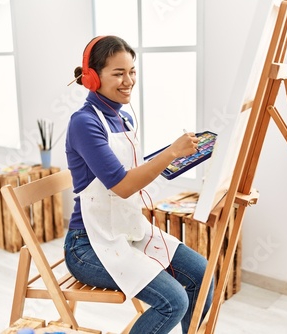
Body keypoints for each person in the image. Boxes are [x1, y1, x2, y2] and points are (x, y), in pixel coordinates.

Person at [64, 35, 213, 334]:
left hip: (127, 231)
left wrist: (177, 157)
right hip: (89, 245)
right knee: (173, 301)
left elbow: (128, 165)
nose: (128, 80)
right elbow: (122, 185)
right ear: (93, 78)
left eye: (132, 71)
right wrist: (171, 152)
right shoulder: (84, 122)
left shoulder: (123, 118)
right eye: (118, 73)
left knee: (202, 274)